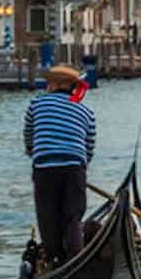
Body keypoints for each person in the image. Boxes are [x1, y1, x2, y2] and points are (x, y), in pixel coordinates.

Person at [24, 64, 96, 265]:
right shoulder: (86, 110)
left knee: (48, 215)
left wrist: (34, 153)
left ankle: (55, 257)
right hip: (74, 167)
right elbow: (89, 146)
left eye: (49, 83)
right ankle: (77, 256)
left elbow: (29, 135)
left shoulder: (36, 104)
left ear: (55, 85)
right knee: (73, 215)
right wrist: (81, 167)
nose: (47, 86)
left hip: (44, 166)